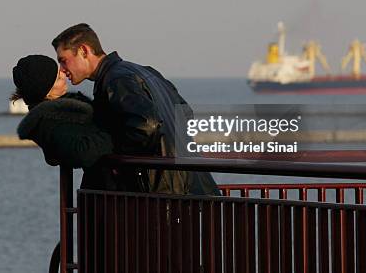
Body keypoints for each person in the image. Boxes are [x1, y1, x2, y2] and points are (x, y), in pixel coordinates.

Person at [52, 23, 219, 195]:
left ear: (83, 51)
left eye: (63, 61)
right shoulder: (145, 72)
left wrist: (110, 154)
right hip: (196, 187)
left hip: (164, 195)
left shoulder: (115, 80)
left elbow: (146, 125)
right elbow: (185, 114)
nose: (62, 71)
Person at [12, 54, 116, 190]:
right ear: (47, 92)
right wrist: (118, 131)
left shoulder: (57, 112)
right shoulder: (49, 121)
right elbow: (82, 153)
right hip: (106, 195)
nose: (63, 73)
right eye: (57, 77)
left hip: (104, 191)